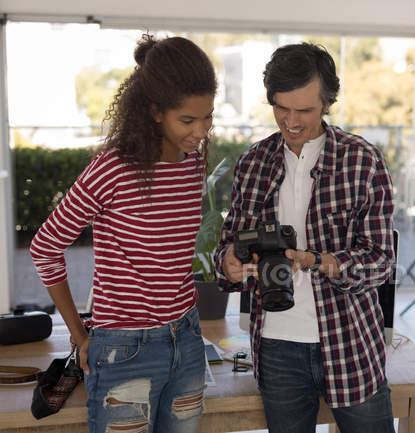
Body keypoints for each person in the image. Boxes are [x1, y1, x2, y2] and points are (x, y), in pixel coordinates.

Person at [30, 34, 217, 433]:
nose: (201, 131)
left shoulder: (192, 164)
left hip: (186, 337)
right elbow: (45, 247)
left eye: (208, 117)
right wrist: (80, 336)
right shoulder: (113, 169)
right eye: (187, 120)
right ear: (154, 112)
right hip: (124, 349)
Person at [214, 42, 396, 433]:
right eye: (282, 108)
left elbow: (381, 261)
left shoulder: (362, 160)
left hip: (350, 341)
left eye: (305, 110)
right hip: (276, 346)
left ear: (328, 103)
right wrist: (229, 263)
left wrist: (317, 261)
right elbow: (228, 246)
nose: (291, 121)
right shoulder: (253, 162)